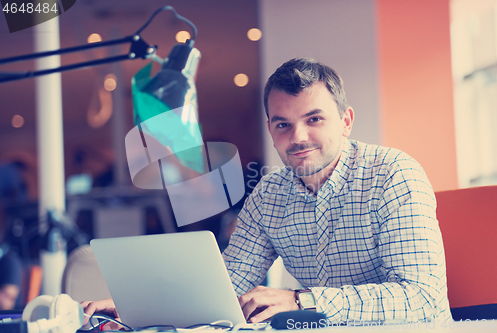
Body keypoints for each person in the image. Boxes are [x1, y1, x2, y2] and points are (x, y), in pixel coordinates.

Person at [82, 58, 451, 326]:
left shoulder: (393, 174)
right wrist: (136, 307)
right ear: (271, 130)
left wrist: (300, 300)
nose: (298, 137)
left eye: (314, 119)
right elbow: (225, 284)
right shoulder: (270, 193)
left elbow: (419, 297)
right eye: (283, 124)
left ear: (346, 121)